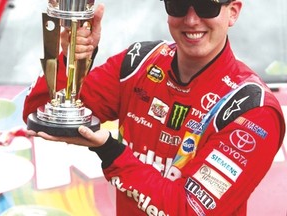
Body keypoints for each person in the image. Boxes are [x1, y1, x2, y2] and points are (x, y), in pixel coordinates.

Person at [23, 0, 286, 215]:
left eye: (207, 7)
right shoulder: (138, 64)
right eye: (179, 5)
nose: (192, 20)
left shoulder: (254, 109)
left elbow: (191, 210)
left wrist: (111, 151)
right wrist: (72, 58)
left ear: (233, 12)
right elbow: (39, 113)